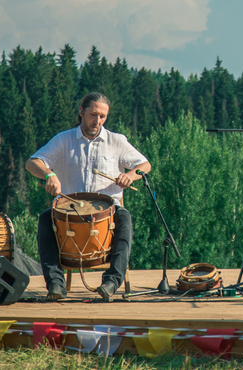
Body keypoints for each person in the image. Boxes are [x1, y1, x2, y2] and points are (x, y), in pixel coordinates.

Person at [26, 92, 151, 300]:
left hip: (107, 210)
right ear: (81, 112)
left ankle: (111, 282)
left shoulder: (116, 141)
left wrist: (130, 175)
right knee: (46, 217)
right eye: (93, 115)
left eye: (103, 116)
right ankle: (56, 284)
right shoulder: (63, 140)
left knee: (125, 217)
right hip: (70, 210)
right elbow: (32, 163)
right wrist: (49, 174)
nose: (98, 121)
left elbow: (144, 165)